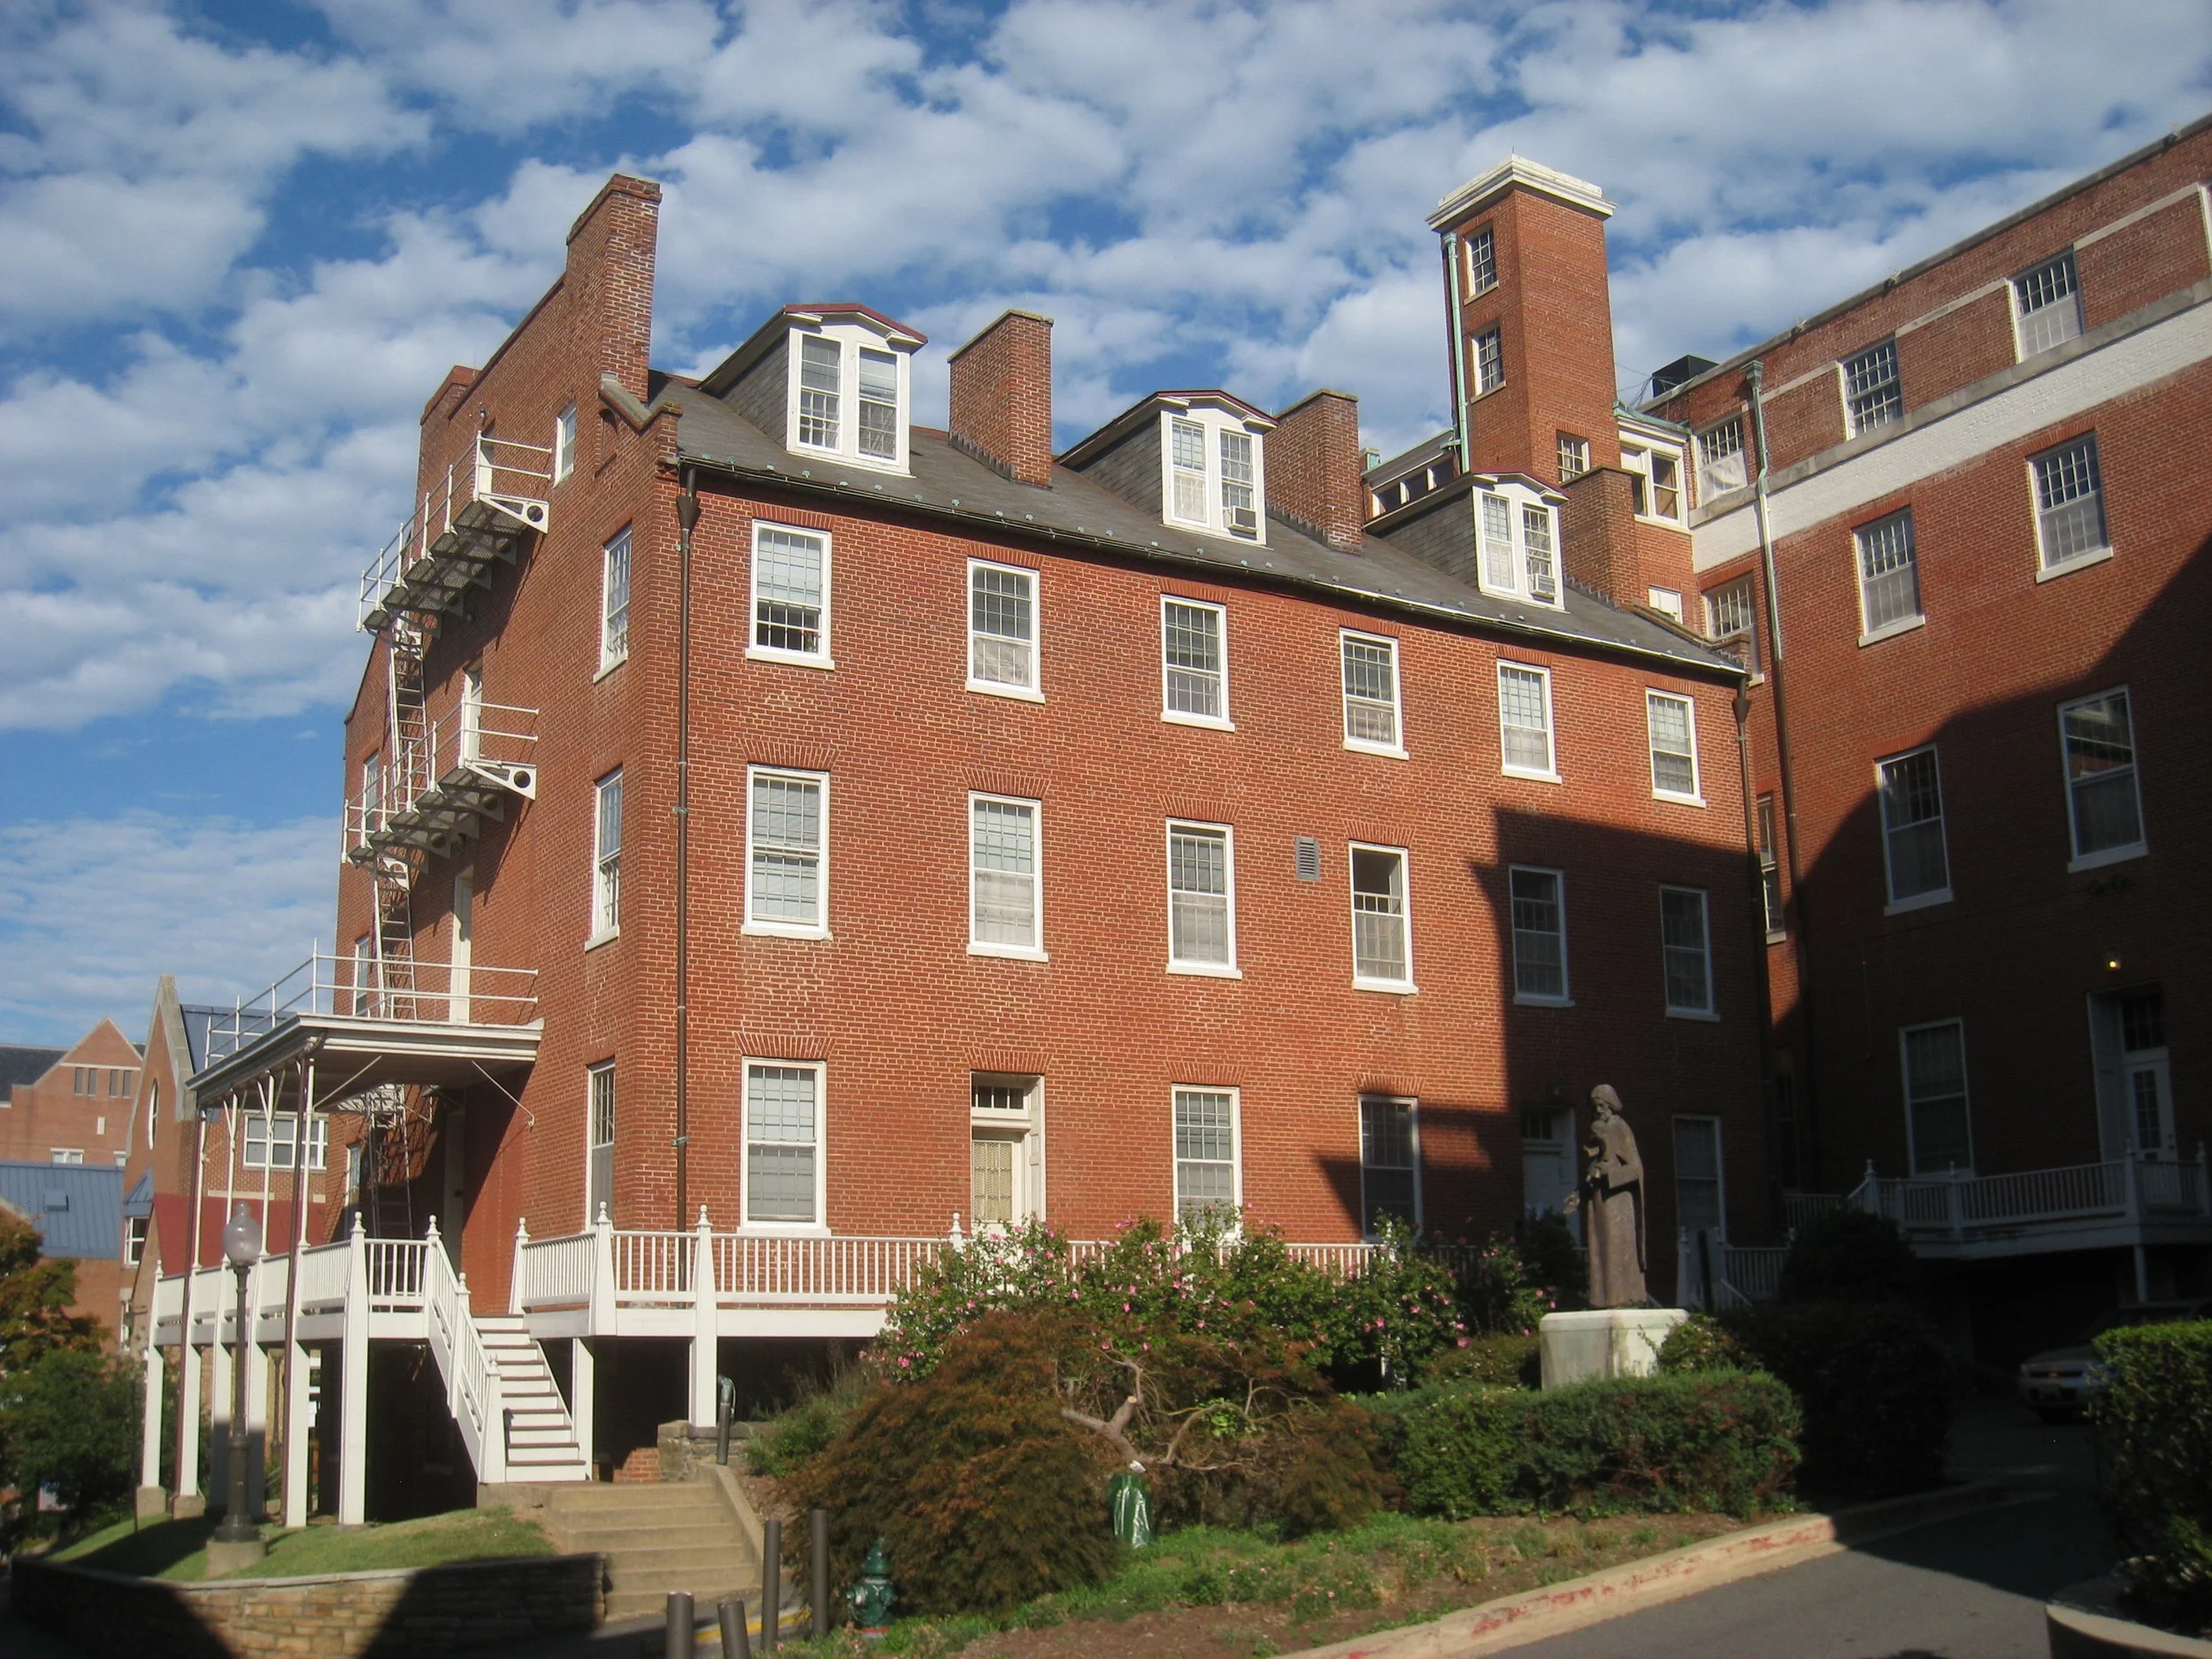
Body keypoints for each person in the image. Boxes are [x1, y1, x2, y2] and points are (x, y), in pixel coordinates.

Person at [1563, 1085, 1647, 1308]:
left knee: (1615, 1247)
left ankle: (1623, 1297)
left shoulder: (1620, 1128)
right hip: (1598, 1199)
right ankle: (1602, 1299)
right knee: (1599, 1248)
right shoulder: (1598, 1128)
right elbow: (1594, 1168)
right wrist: (1579, 1193)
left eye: (1602, 1105)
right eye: (1595, 1106)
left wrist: (1609, 1173)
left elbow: (1636, 1168)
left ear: (1610, 1105)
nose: (1599, 1109)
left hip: (1617, 1201)